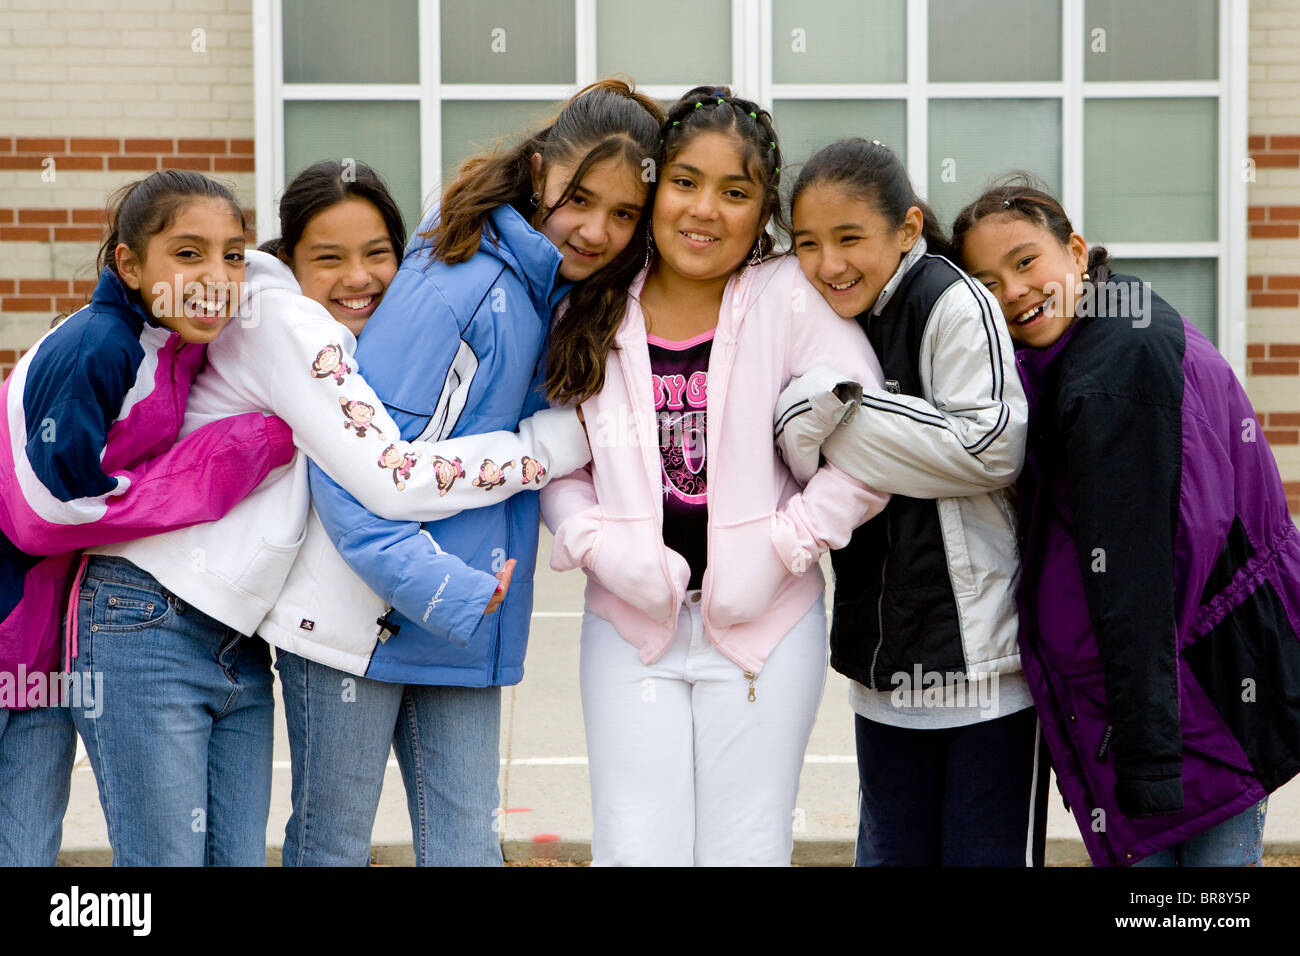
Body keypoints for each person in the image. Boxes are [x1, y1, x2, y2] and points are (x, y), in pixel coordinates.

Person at [83, 160, 592, 866]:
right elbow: (392, 481)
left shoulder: (369, 343)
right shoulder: (291, 329)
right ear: (290, 263)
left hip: (235, 632)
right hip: (172, 615)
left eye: (377, 254)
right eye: (329, 258)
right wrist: (553, 446)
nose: (359, 277)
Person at [302, 79, 664, 866]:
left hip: (460, 621)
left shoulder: (552, 295)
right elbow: (347, 459)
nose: (597, 230)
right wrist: (445, 588)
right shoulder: (463, 282)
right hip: (359, 620)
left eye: (624, 214)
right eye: (579, 198)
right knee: (332, 848)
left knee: (465, 848)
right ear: (539, 173)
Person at [540, 87, 890, 867]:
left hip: (765, 631)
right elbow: (563, 461)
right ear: (656, 184)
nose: (705, 210)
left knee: (746, 848)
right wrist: (594, 542)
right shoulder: (592, 305)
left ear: (763, 210)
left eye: (735, 193)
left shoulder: (787, 299)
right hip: (631, 630)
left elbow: (869, 450)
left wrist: (787, 544)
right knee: (635, 848)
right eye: (687, 182)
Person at [953, 176, 1300, 866]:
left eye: (1025, 263)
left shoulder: (1117, 373)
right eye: (986, 283)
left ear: (1076, 252)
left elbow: (1147, 578)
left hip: (1195, 714)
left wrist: (1145, 756)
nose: (1013, 291)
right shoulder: (1087, 344)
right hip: (1179, 708)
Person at [0, 170, 295, 865]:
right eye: (188, 252)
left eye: (233, 254)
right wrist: (228, 458)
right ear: (128, 265)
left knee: (23, 851)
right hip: (12, 629)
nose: (217, 275)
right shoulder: (100, 342)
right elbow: (45, 512)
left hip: (40, 653)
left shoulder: (174, 346)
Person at [775, 139, 1040, 866]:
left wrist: (834, 409)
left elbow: (991, 447)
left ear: (908, 228)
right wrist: (814, 419)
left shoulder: (955, 301)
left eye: (850, 238)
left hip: (983, 669)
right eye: (808, 243)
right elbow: (788, 446)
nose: (831, 263)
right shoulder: (821, 315)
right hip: (882, 669)